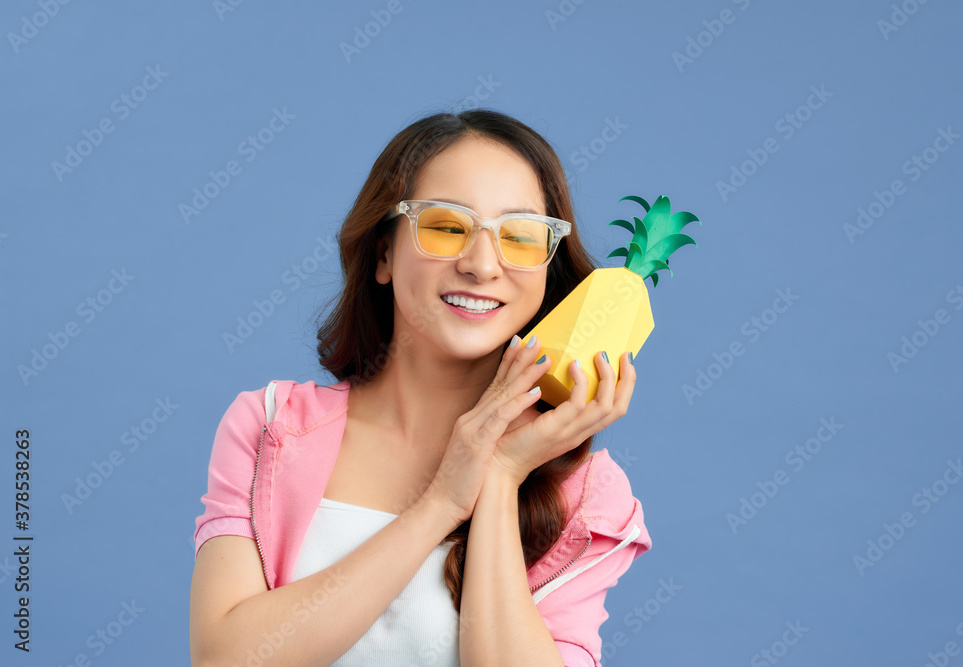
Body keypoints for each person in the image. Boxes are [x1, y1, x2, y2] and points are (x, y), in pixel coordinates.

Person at [190, 109, 652, 666]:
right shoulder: (270, 427)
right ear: (384, 253)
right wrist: (441, 503)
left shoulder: (586, 495)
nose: (482, 265)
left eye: (522, 237)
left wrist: (502, 477)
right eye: (446, 227)